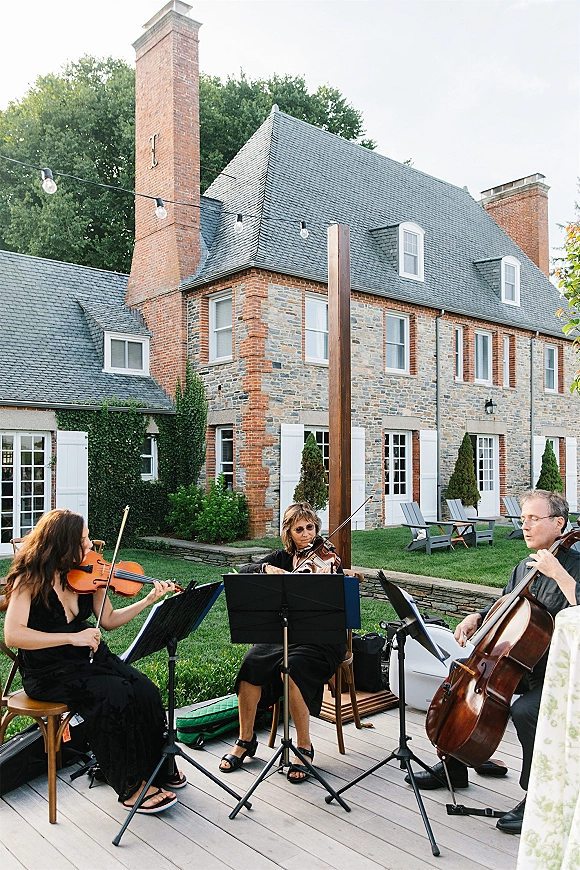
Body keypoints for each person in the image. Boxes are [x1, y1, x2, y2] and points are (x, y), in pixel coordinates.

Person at [409, 490, 580, 835]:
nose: (525, 526)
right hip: (522, 664)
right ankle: (453, 764)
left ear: (559, 524)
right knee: (465, 686)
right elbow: (508, 606)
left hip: (562, 672)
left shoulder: (574, 566)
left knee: (526, 711)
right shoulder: (525, 567)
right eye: (523, 519)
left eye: (533, 519)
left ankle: (537, 796)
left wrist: (558, 573)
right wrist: (477, 615)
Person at [3, 509, 185, 814]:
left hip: (87, 660)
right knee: (113, 695)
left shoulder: (89, 574)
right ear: (60, 544)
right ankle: (130, 785)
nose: (90, 549)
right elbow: (13, 635)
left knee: (144, 689)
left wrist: (147, 600)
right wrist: (71, 638)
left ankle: (158, 769)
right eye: (83, 542)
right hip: (49, 672)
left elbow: (110, 620)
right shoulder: (29, 580)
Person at [219, 502, 346, 783]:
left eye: (310, 527)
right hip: (286, 634)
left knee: (293, 668)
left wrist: (331, 578)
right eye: (299, 529)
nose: (306, 534)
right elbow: (244, 568)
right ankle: (246, 739)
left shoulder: (327, 559)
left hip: (321, 637)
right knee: (251, 662)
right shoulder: (281, 557)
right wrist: (266, 568)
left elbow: (338, 600)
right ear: (288, 533)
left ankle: (304, 745)